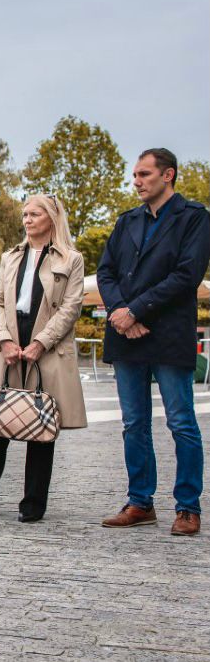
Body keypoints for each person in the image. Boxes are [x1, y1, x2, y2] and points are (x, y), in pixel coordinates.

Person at [98, 148, 210, 536]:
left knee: (181, 423)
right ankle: (140, 502)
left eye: (144, 174)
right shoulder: (126, 220)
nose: (137, 181)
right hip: (126, 334)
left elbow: (186, 274)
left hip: (168, 333)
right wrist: (120, 313)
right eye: (135, 175)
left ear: (168, 175)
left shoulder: (194, 218)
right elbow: (106, 271)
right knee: (133, 424)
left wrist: (137, 311)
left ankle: (188, 507)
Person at [0, 195, 87, 522]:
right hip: (8, 344)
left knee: (41, 424)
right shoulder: (10, 257)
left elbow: (71, 307)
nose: (27, 219)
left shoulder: (71, 259)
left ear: (51, 217)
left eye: (34, 214)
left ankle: (33, 505)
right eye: (25, 214)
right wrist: (3, 339)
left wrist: (41, 342)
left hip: (45, 347)